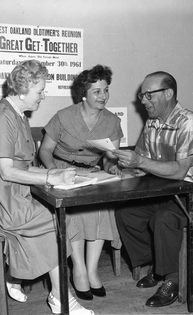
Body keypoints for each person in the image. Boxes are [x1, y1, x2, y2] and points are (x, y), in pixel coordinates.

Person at [0, 60, 94, 315]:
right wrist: (49, 179)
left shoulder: (17, 115)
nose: (43, 96)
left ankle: (24, 278)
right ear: (22, 91)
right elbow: (7, 171)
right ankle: (61, 297)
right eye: (40, 91)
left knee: (61, 220)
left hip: (4, 189)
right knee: (56, 222)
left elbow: (20, 165)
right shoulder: (2, 117)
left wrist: (54, 172)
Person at [113, 71, 193, 308]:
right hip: (170, 194)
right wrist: (124, 169)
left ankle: (172, 279)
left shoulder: (189, 122)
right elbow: (142, 160)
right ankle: (159, 266)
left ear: (169, 93)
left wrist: (139, 163)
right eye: (142, 95)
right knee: (127, 213)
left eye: (148, 95)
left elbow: (179, 171)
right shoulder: (153, 123)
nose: (143, 100)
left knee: (164, 219)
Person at [39, 64, 123, 300]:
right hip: (61, 169)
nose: (103, 96)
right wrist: (54, 173)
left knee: (102, 206)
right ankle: (79, 269)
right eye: (97, 91)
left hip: (91, 173)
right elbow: (45, 150)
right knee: (74, 210)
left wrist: (112, 166)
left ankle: (93, 268)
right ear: (83, 94)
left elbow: (109, 158)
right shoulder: (64, 116)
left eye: (105, 90)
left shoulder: (111, 121)